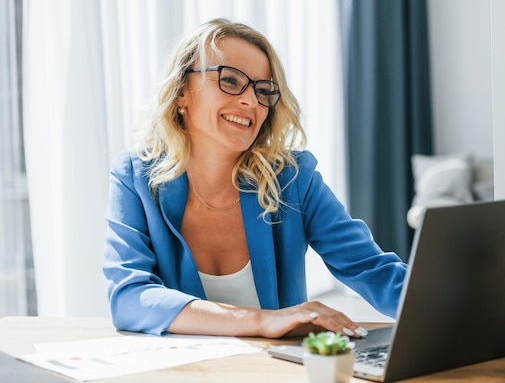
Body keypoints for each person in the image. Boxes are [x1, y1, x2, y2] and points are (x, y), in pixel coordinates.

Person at [103, 18, 407, 338]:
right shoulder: (134, 177)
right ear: (181, 92)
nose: (251, 101)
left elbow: (373, 269)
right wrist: (261, 321)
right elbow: (128, 298)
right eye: (230, 81)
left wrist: (456, 309)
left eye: (263, 91)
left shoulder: (292, 179)